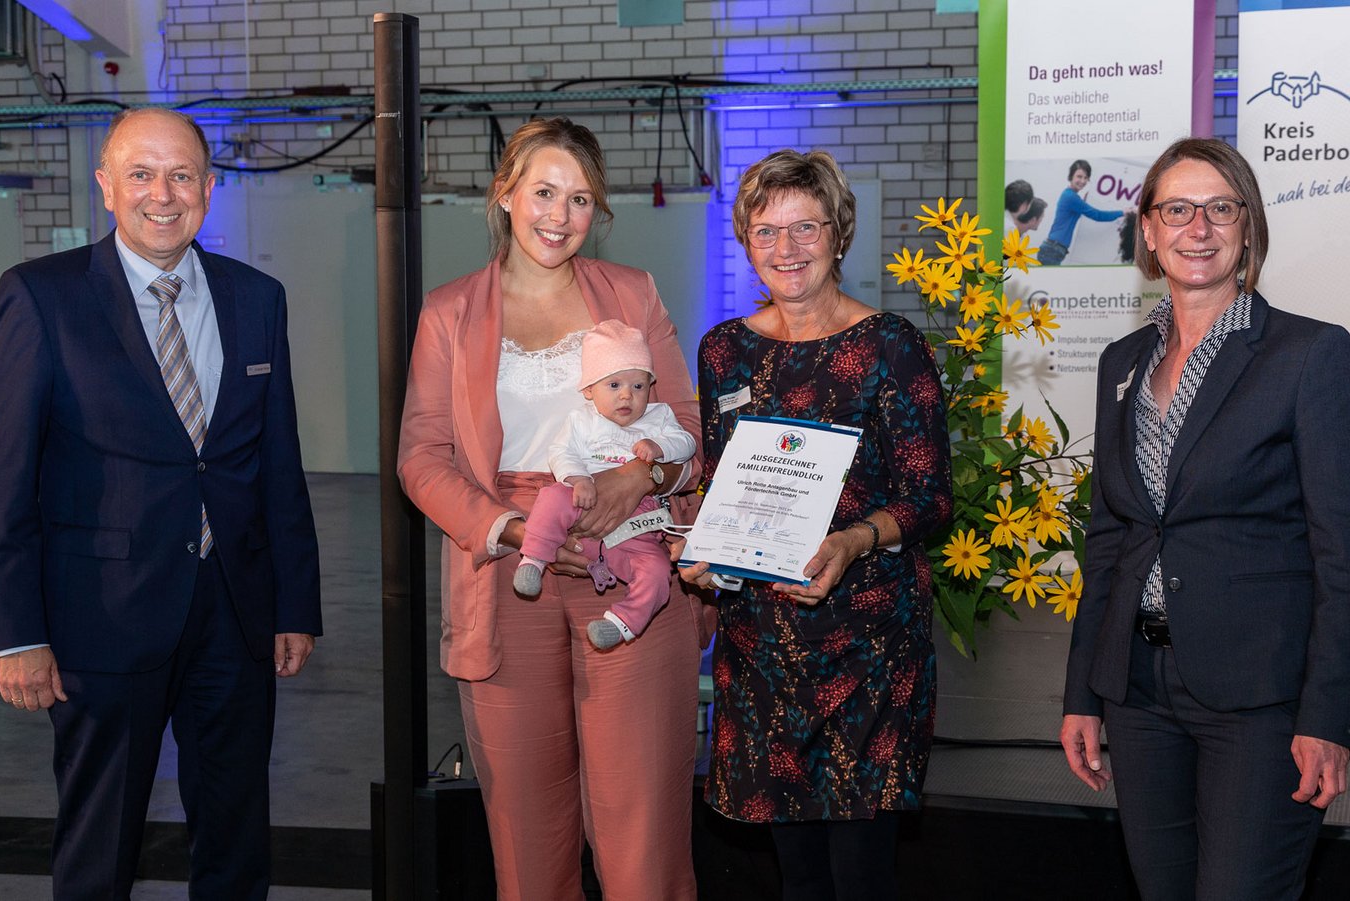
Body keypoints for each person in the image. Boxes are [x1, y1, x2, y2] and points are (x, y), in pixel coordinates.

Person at [0, 107, 322, 900]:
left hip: (235, 619)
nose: (161, 194)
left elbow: (277, 465)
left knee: (236, 841)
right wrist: (17, 635)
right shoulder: (41, 296)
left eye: (181, 175)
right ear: (106, 186)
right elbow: (6, 479)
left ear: (209, 187)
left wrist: (294, 604)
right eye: (140, 173)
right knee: (101, 845)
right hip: (100, 619)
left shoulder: (256, 297)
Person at [397, 117, 703, 899]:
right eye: (542, 192)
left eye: (579, 199)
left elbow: (690, 426)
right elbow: (421, 456)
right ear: (504, 195)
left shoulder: (631, 292)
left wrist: (644, 478)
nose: (559, 216)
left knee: (644, 834)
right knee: (529, 841)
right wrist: (505, 528)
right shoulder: (449, 313)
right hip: (509, 568)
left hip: (630, 546)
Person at [1060, 137, 1350, 901]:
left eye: (1219, 208)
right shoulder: (1122, 360)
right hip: (1138, 691)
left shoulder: (1310, 354)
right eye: (1177, 209)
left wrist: (1328, 717)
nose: (1198, 227)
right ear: (1149, 231)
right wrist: (1081, 693)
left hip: (1260, 700)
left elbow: (1343, 558)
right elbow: (1111, 536)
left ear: (1248, 227)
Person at [681, 149, 952, 901]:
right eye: (766, 231)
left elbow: (930, 496)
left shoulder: (891, 346)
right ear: (745, 241)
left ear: (840, 234)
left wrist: (853, 538)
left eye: (806, 227)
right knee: (796, 876)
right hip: (762, 650)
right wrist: (705, 548)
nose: (787, 248)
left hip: (867, 651)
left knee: (861, 875)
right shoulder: (724, 351)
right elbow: (720, 481)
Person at [513, 318, 698, 650]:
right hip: (585, 496)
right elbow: (561, 451)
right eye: (613, 386)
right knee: (552, 498)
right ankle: (534, 559)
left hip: (638, 521)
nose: (627, 396)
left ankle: (623, 622)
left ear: (650, 386)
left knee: (657, 570)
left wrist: (660, 449)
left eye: (638, 386)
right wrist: (578, 478)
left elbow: (687, 443)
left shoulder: (659, 418)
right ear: (589, 391)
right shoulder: (583, 421)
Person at [1037, 159, 1124, 265]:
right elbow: (1098, 215)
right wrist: (1122, 212)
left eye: (1086, 177)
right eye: (1079, 176)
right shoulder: (1071, 197)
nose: (1082, 181)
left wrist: (1083, 202)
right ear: (1071, 176)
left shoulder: (1070, 196)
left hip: (1054, 249)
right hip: (1052, 250)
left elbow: (1072, 214)